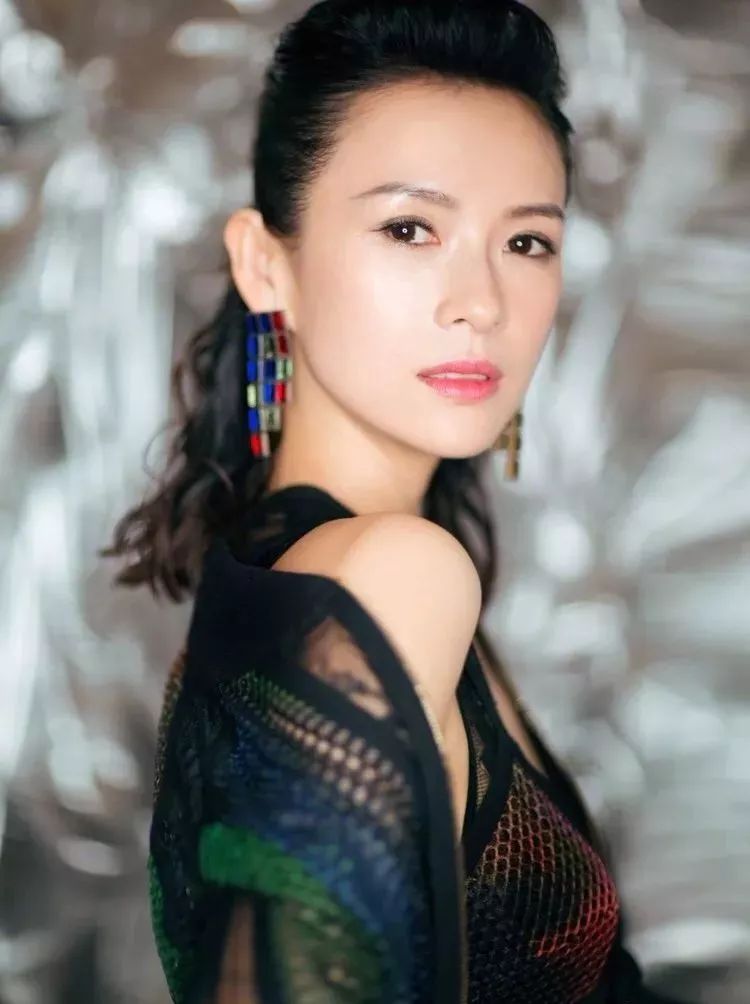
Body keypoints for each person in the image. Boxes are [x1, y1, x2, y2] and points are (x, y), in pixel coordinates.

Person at [101, 1, 694, 1001]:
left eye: (528, 242)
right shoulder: (387, 577)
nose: (482, 302)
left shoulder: (311, 570)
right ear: (264, 263)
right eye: (410, 228)